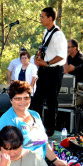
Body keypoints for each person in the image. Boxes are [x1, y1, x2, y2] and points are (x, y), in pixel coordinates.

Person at [0, 81, 68, 166]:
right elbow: (7, 152)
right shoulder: (7, 120)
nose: (23, 101)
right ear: (11, 100)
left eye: (26, 98)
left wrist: (55, 160)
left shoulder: (35, 115)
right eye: (18, 98)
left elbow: (44, 142)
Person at [32, 7, 67, 137]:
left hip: (54, 71)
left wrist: (46, 63)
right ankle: (36, 125)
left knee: (52, 101)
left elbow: (62, 55)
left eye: (42, 17)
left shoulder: (58, 35)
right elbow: (46, 49)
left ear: (50, 18)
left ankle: (50, 130)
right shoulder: (46, 32)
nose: (40, 19)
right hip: (44, 71)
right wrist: (39, 57)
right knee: (37, 99)